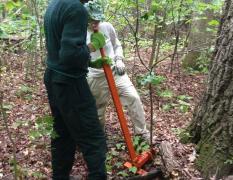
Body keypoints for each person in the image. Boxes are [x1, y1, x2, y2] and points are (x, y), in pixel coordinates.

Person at [43, 0, 108, 179]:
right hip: (70, 82)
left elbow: (58, 49)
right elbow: (70, 55)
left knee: (63, 134)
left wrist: (88, 61)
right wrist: (91, 47)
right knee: (93, 138)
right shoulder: (76, 9)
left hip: (53, 78)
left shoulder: (54, 5)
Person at [84, 0, 154, 143]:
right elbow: (78, 57)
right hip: (96, 76)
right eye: (92, 20)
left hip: (116, 72)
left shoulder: (107, 27)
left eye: (98, 19)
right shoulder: (80, 33)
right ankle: (100, 137)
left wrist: (119, 59)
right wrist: (91, 49)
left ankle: (142, 134)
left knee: (133, 97)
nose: (95, 23)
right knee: (98, 110)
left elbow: (117, 46)